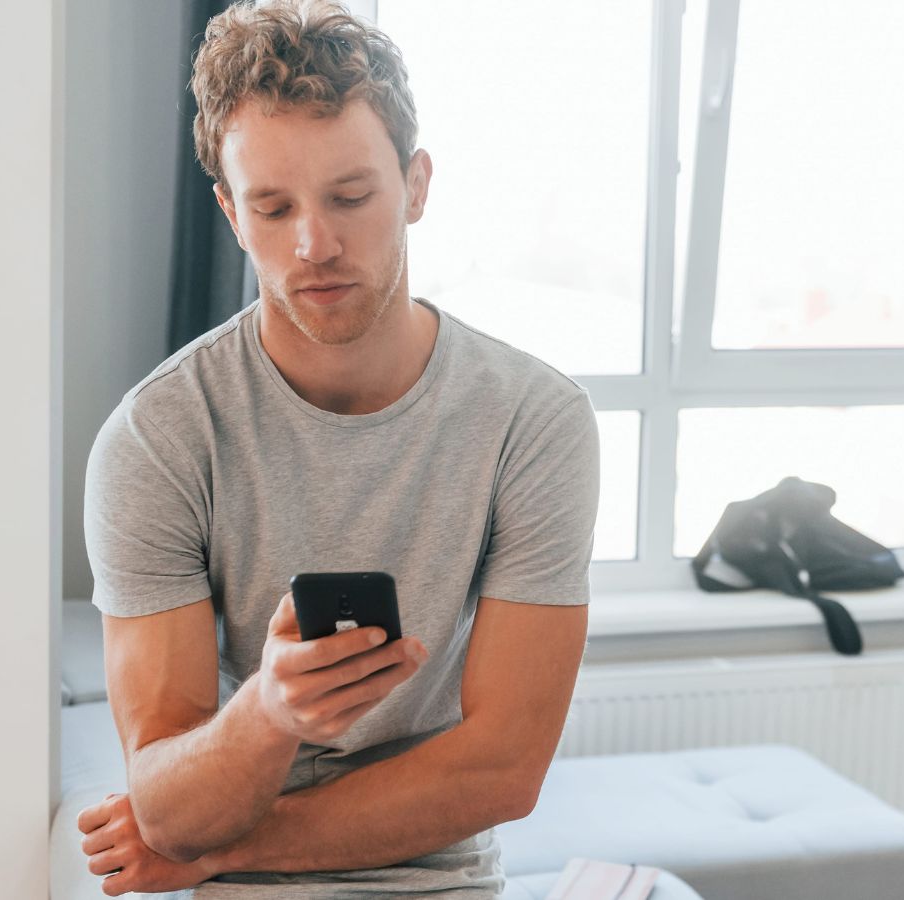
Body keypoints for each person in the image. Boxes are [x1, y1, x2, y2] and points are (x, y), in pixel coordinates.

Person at [73, 2, 599, 896]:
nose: (315, 245)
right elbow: (164, 806)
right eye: (272, 208)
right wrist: (271, 713)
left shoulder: (534, 420)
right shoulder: (156, 437)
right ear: (230, 216)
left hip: (430, 876)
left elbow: (502, 770)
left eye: (351, 196)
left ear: (417, 185)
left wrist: (229, 844)